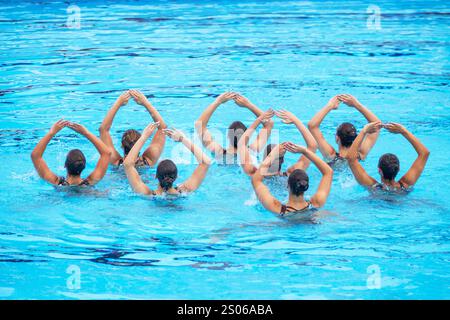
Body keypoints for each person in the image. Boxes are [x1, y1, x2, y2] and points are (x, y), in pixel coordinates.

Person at [124, 123, 211, 196]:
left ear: (156, 176)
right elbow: (206, 162)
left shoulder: (148, 194)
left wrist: (144, 137)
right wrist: (183, 139)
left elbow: (127, 164)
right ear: (176, 177)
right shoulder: (184, 191)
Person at [251, 142, 333, 216]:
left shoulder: (277, 208)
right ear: (306, 185)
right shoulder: (316, 203)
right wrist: (305, 151)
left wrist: (274, 153)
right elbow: (328, 172)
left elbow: (256, 180)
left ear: (287, 185)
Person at [347, 121, 430, 192]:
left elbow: (351, 159)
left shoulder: (373, 188)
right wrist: (404, 131)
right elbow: (424, 153)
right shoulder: (405, 185)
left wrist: (364, 131)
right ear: (398, 169)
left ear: (379, 171)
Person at [195, 92, 273, 164]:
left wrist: (217, 102)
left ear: (228, 136)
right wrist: (248, 105)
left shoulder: (218, 152)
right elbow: (269, 123)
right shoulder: (253, 151)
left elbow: (199, 125)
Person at [238, 109, 318, 177]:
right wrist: (296, 121)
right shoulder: (290, 176)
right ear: (282, 161)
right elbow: (313, 146)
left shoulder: (255, 173)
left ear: (264, 159)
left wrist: (259, 119)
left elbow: (241, 144)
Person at [31, 120, 111, 186]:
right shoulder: (91, 181)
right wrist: (86, 133)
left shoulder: (57, 182)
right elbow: (106, 153)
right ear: (84, 166)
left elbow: (35, 156)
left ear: (65, 165)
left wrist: (51, 132)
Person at [308, 94, 380, 167]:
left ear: (337, 138)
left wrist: (329, 106)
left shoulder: (331, 157)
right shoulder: (361, 155)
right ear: (356, 138)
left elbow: (312, 126)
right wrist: (357, 104)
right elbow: (377, 124)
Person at [99, 89, 167, 167]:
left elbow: (103, 130)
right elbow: (162, 128)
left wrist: (118, 103)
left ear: (122, 145)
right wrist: (145, 102)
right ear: (140, 143)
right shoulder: (150, 158)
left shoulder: (114, 161)